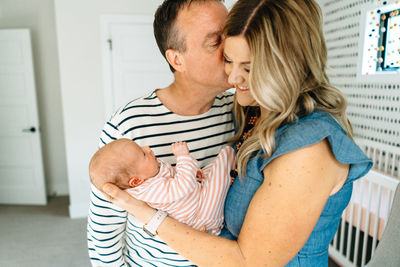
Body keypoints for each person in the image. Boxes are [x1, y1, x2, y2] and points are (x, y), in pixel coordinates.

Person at [101, 0, 373, 266]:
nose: (232, 78)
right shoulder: (248, 111)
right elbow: (104, 231)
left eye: (249, 68)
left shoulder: (307, 147)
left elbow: (249, 260)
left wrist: (142, 211)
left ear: (289, 65)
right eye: (229, 59)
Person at [87, 0, 234, 266]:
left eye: (232, 34)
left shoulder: (239, 113)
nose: (232, 47)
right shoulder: (127, 125)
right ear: (177, 59)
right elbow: (103, 234)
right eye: (216, 41)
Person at [89, 139, 235, 235]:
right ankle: (235, 165)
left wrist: (192, 173)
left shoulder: (150, 173)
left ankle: (227, 175)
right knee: (226, 154)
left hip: (197, 195)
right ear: (136, 181)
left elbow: (177, 177)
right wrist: (183, 156)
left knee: (210, 170)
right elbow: (182, 187)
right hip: (201, 214)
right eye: (143, 154)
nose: (148, 148)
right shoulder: (148, 190)